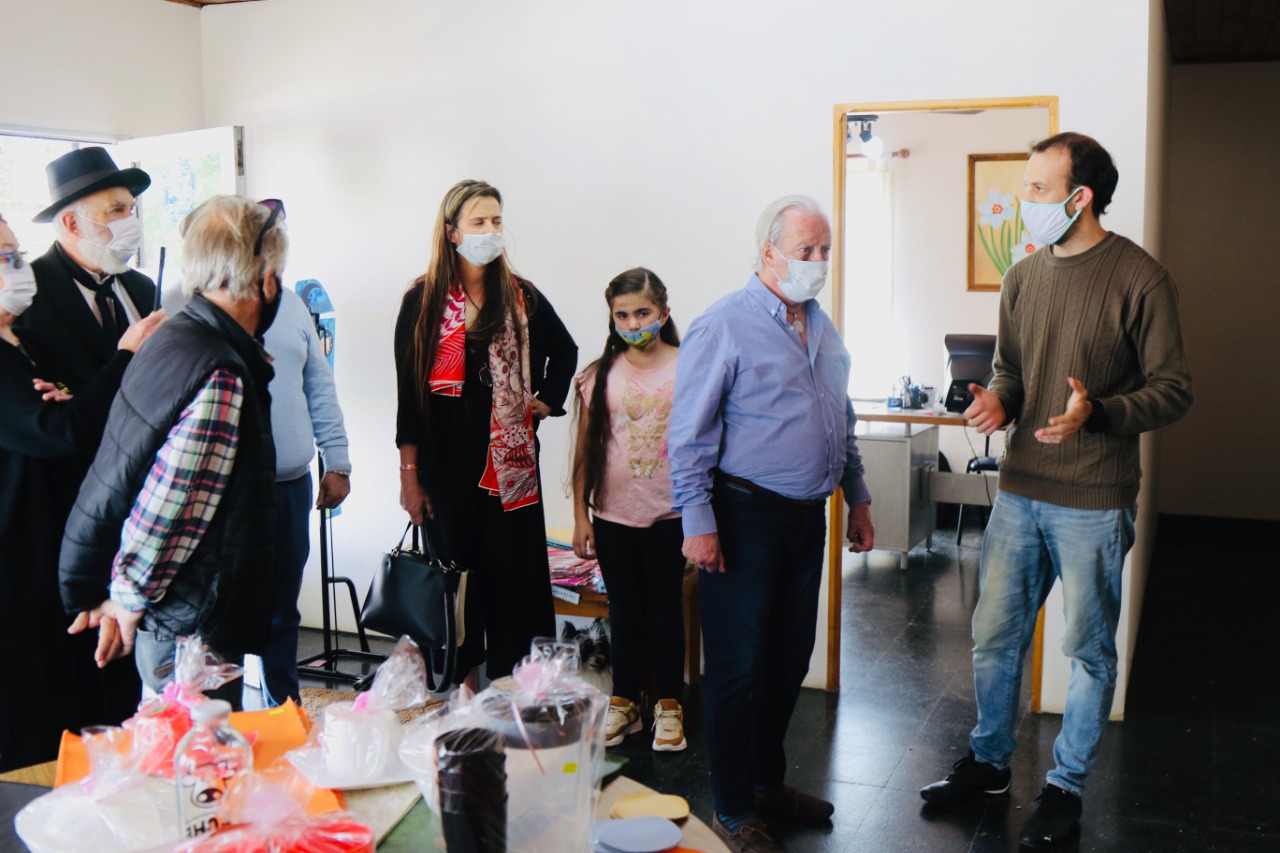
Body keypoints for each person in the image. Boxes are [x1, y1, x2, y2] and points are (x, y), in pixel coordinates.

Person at [919, 133, 1194, 848]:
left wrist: (1095, 412)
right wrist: (998, 402)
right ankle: (989, 763)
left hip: (1094, 499)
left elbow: (1173, 390)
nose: (1026, 202)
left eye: (1039, 190)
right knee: (994, 636)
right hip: (1019, 491)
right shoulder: (1023, 277)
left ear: (1081, 198)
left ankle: (1065, 787)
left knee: (1089, 650)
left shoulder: (1142, 280)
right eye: (1027, 188)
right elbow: (1012, 372)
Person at [668, 195, 876, 853]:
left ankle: (765, 784)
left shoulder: (823, 327)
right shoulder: (722, 325)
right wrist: (698, 522)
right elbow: (688, 435)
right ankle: (732, 809)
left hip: (807, 518)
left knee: (788, 659)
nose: (818, 262)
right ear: (769, 253)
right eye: (805, 250)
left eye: (824, 250)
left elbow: (840, 418)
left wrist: (858, 495)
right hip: (742, 515)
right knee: (737, 668)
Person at [60, 195, 289, 707]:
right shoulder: (220, 370)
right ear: (267, 280)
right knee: (201, 752)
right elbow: (172, 506)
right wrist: (128, 599)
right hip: (191, 623)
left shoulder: (174, 337)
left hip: (174, 612)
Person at [395, 179, 577, 683]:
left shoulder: (522, 297)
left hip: (510, 467)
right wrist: (409, 475)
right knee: (457, 579)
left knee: (514, 578)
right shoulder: (422, 301)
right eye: (479, 222)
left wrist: (547, 400)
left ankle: (515, 686)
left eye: (496, 220)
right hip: (445, 468)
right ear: (452, 232)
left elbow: (565, 352)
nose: (491, 230)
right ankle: (466, 688)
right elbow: (409, 396)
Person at [0, 215, 163, 769]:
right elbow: (60, 431)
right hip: (19, 574)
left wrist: (71, 406)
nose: (18, 266)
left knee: (97, 717)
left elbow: (75, 418)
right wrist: (125, 356)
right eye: (4, 257)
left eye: (16, 252)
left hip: (68, 556)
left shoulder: (25, 344)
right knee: (39, 738)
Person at [571, 267, 686, 752]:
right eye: (622, 315)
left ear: (663, 311)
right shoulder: (600, 374)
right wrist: (581, 515)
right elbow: (586, 449)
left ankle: (669, 705)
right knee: (624, 611)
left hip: (672, 515)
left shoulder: (689, 366)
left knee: (665, 610)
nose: (633, 323)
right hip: (612, 516)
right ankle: (624, 702)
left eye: (642, 312)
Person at [259, 287, 353, 706]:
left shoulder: (290, 303)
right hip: (224, 494)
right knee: (222, 619)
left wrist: (337, 462)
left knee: (283, 612)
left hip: (290, 486)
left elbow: (319, 385)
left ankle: (284, 712)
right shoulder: (183, 300)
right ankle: (225, 725)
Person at [21, 147, 158, 389]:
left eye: (131, 209)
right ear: (73, 223)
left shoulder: (143, 287)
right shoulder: (26, 297)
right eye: (117, 210)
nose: (131, 221)